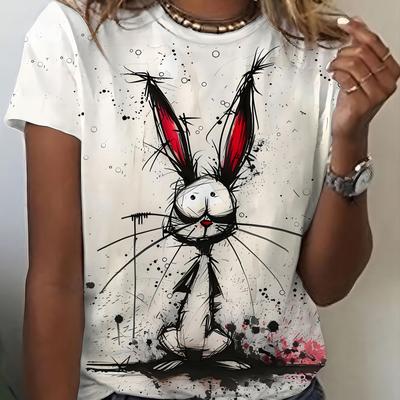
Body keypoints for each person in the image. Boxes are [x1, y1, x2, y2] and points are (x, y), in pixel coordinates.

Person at [4, 0, 399, 399]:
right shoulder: (74, 34)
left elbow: (328, 285)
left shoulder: (326, 53)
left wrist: (352, 135)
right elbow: (55, 280)